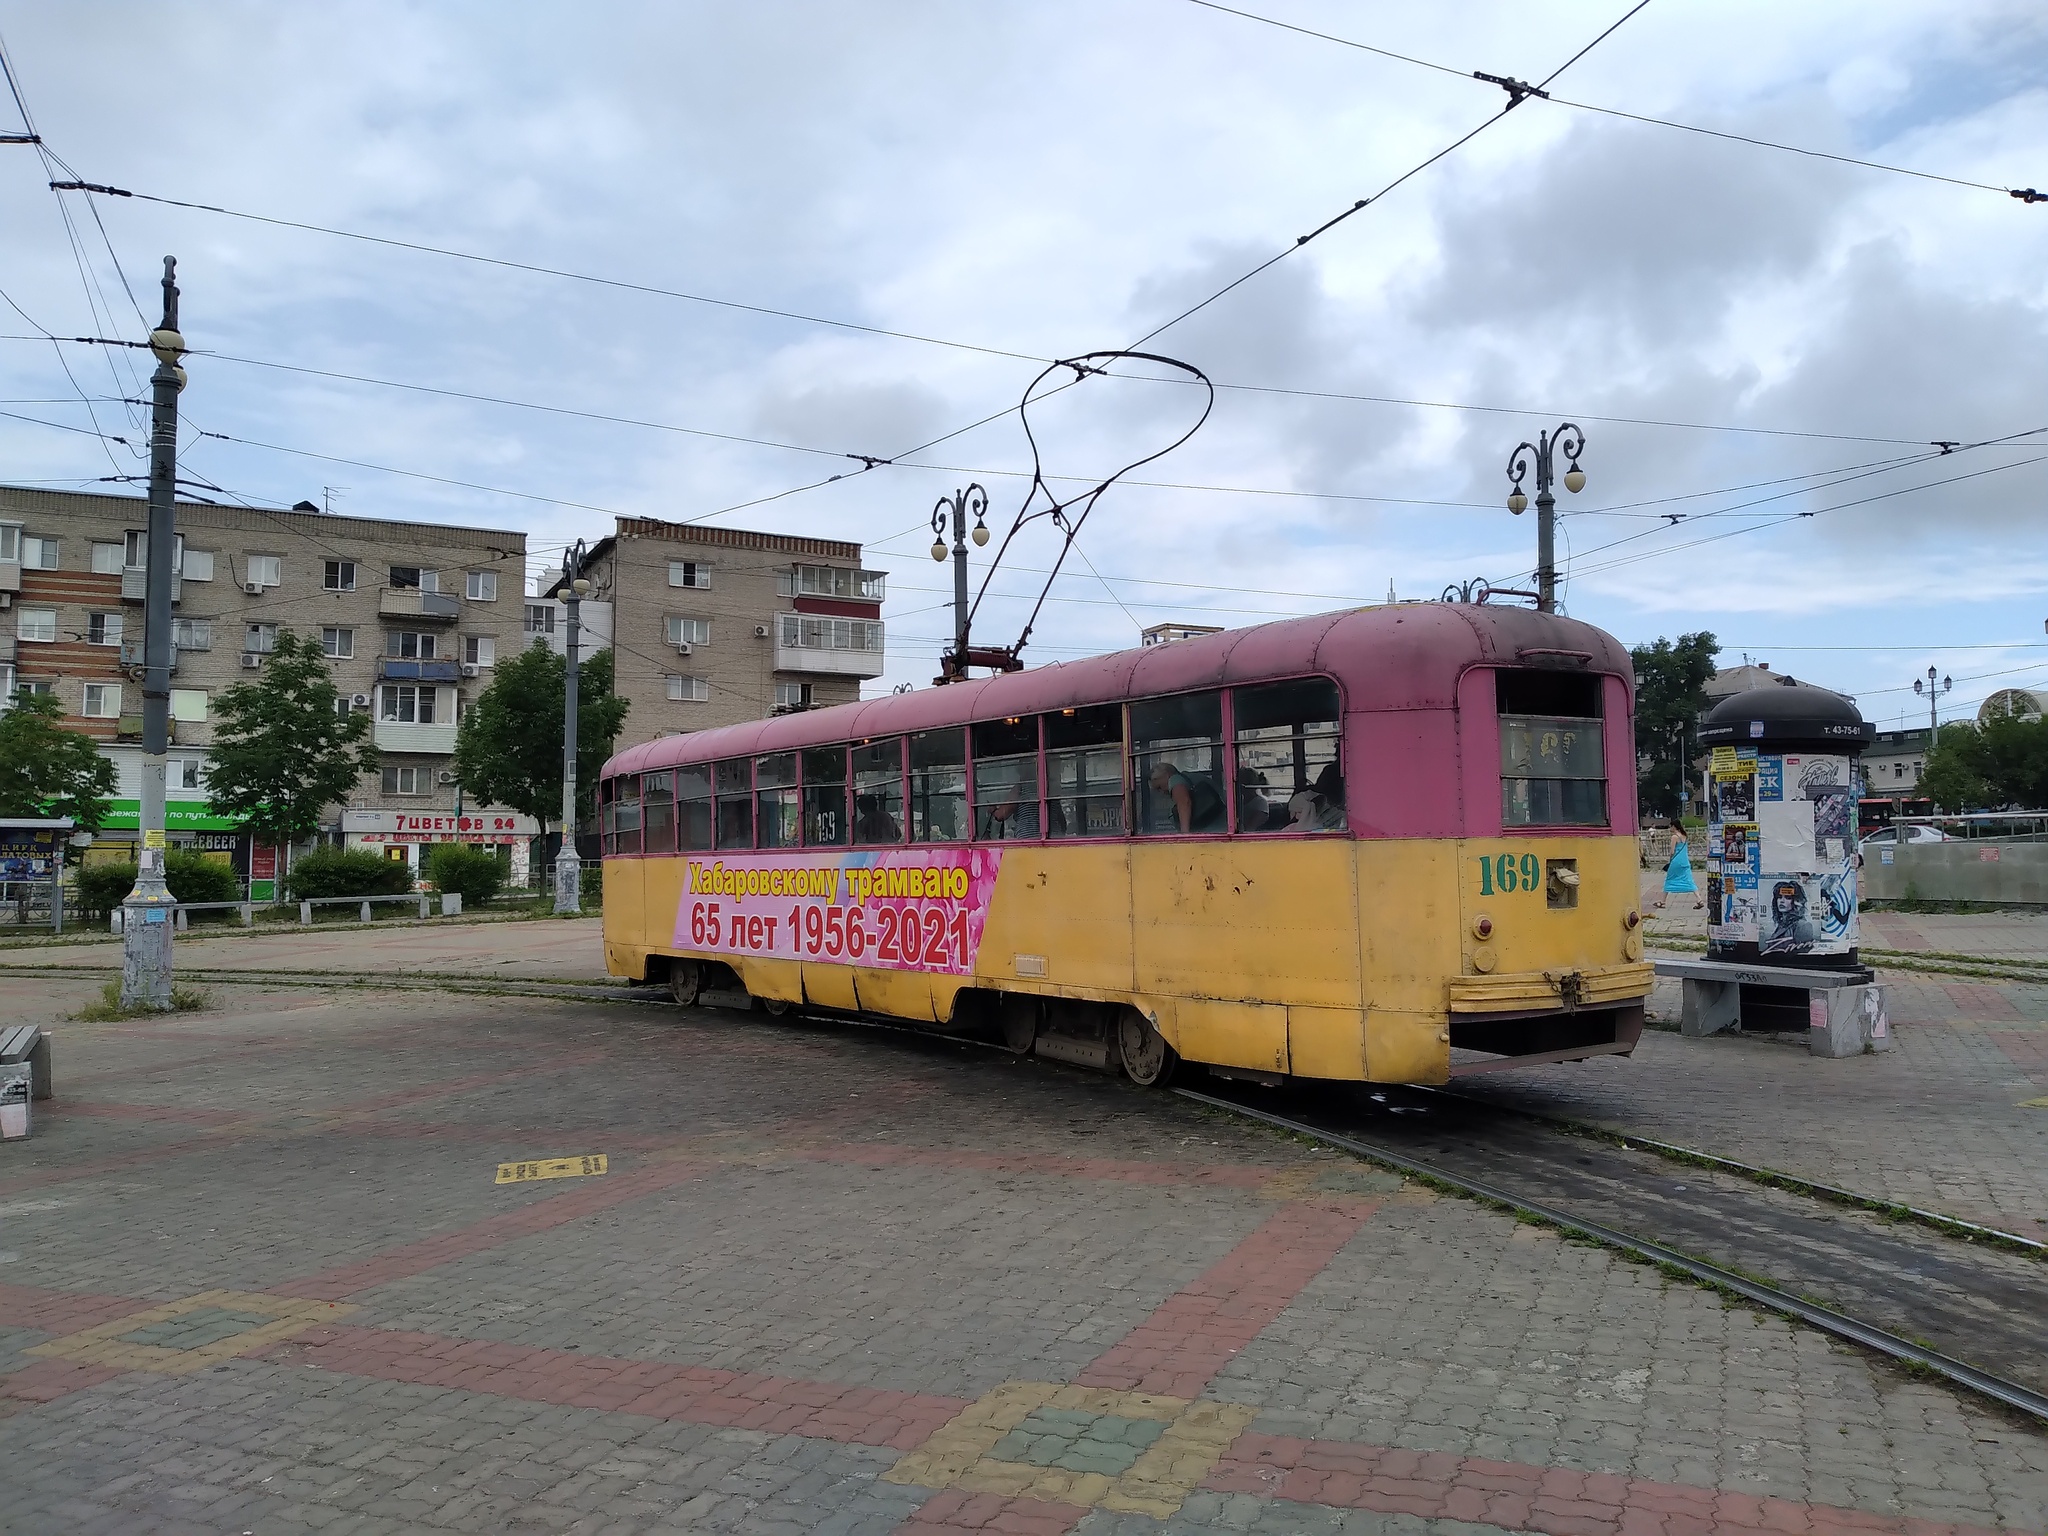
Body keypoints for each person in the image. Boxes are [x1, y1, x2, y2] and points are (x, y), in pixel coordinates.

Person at [1148, 761, 1225, 834]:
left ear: (1166, 774)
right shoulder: (1188, 777)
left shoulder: (1175, 779)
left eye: (1159, 787)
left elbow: (1184, 803)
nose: (1161, 792)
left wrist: (1184, 835)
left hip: (1210, 831)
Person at [1656, 821, 1702, 909]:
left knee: (1669, 879)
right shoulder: (1684, 835)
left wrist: (1670, 859)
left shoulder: (1674, 837)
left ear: (1674, 827)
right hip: (1685, 861)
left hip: (1676, 861)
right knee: (1689, 879)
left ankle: (1663, 902)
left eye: (1671, 827)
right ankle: (1699, 899)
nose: (1670, 829)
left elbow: (1672, 851)